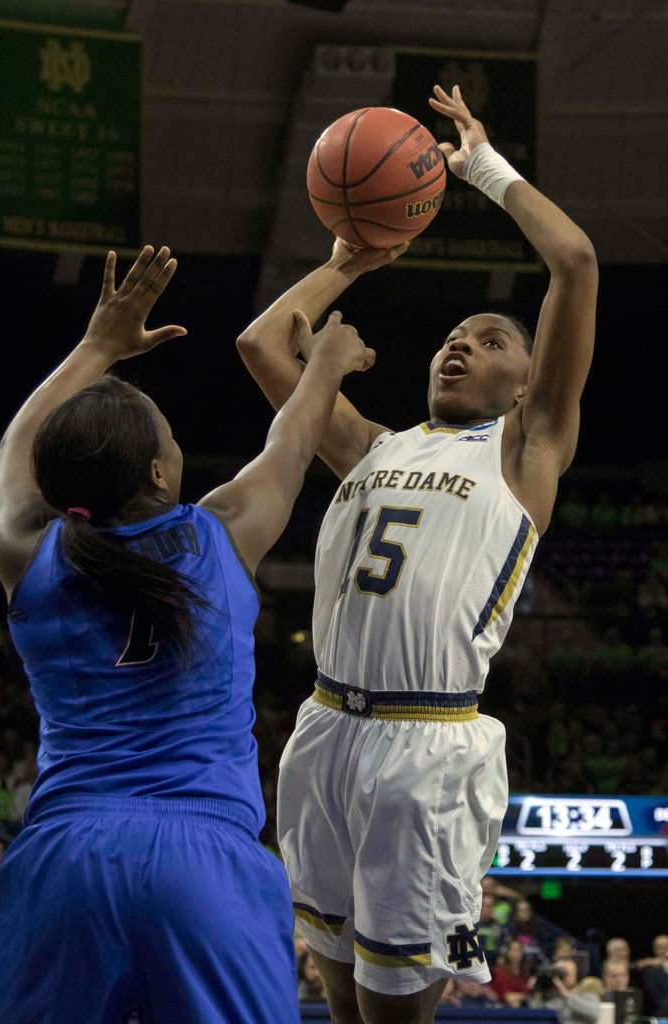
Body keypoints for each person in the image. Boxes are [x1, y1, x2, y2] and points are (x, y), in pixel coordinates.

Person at [237, 81, 597, 1024]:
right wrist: (349, 262)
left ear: (529, 386)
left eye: (488, 341)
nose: (459, 347)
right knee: (335, 997)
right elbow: (264, 341)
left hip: (429, 744)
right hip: (323, 730)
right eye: (452, 337)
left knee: (398, 1014)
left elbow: (575, 261)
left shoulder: (526, 453)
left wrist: (479, 166)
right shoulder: (369, 443)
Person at [0, 245, 374, 1024]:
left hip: (63, 862)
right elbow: (293, 442)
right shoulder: (221, 535)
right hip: (206, 866)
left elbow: (12, 449)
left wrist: (96, 346)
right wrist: (326, 364)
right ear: (161, 474)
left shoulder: (25, 550)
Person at [491, 939, 538, 1007]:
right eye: (513, 950)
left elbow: (530, 993)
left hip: (524, 1002)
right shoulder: (500, 971)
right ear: (508, 952)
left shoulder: (526, 972)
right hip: (503, 1004)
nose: (516, 953)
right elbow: (505, 995)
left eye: (519, 950)